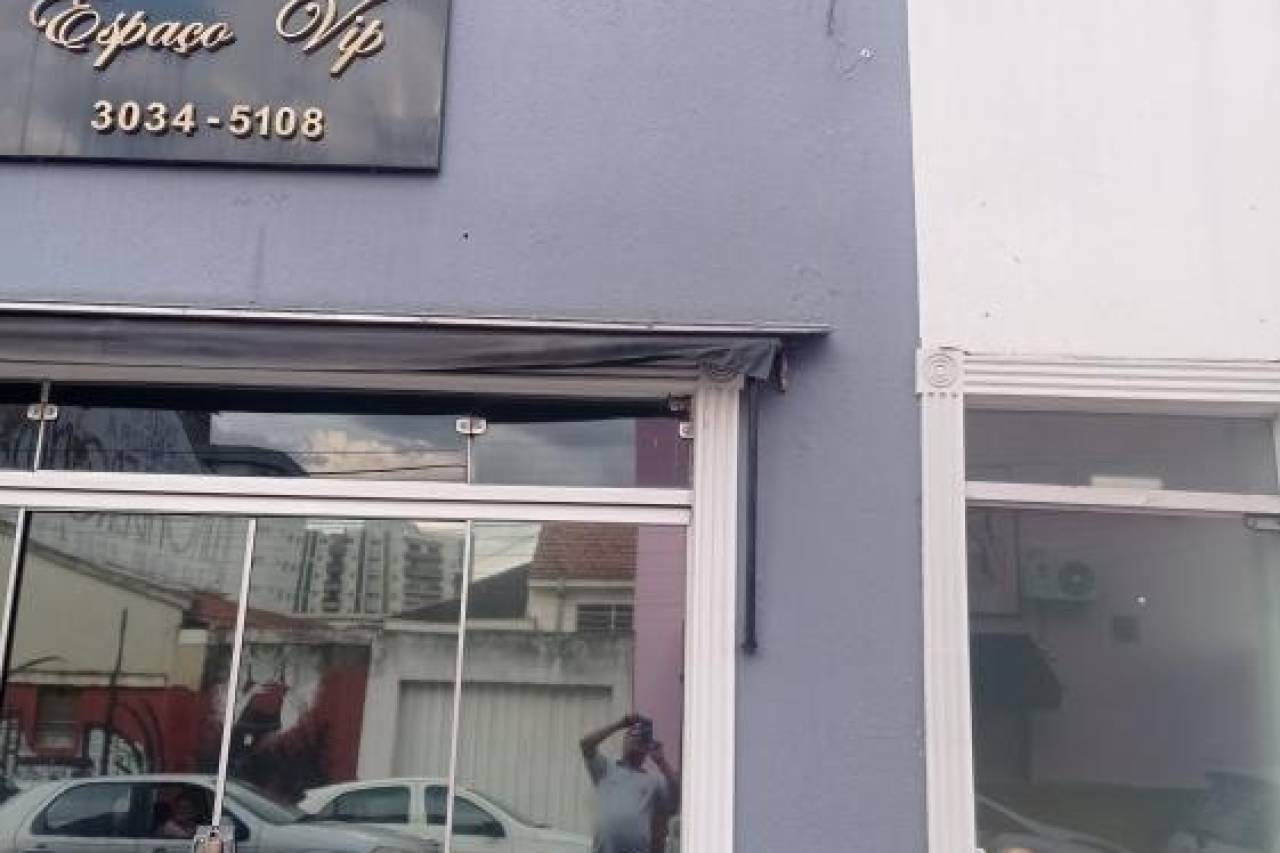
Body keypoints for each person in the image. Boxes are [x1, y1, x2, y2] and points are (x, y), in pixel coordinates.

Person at [580, 714, 680, 853]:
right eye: (632, 734)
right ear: (624, 741)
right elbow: (585, 744)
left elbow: (677, 796)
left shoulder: (654, 781)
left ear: (647, 747)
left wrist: (661, 761)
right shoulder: (606, 769)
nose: (636, 739)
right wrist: (620, 724)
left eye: (641, 738)